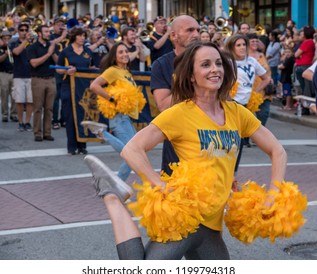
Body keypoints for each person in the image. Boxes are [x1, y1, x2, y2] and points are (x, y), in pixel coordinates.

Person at [84, 41, 287, 260]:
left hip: (212, 223)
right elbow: (132, 149)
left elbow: (277, 150)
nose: (215, 69)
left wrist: (274, 193)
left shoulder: (237, 113)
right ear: (191, 75)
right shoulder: (180, 113)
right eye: (206, 64)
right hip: (186, 215)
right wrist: (159, 184)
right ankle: (113, 198)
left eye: (218, 63)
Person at [150, 15, 200, 175]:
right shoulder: (161, 64)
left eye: (198, 30)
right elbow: (164, 105)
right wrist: (191, 81)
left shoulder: (211, 60)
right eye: (190, 30)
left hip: (210, 141)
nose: (196, 35)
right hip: (178, 143)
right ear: (173, 36)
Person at [83, 42, 138, 181]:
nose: (125, 54)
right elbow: (94, 85)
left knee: (134, 155)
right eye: (120, 52)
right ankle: (102, 133)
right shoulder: (113, 70)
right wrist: (112, 99)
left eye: (126, 51)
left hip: (127, 117)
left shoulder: (126, 72)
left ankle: (118, 187)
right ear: (114, 57)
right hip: (119, 116)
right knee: (131, 154)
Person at [225, 34, 270, 188]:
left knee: (240, 143)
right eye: (238, 45)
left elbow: (266, 77)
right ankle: (227, 175)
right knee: (231, 141)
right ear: (232, 47)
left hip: (244, 106)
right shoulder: (228, 63)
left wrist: (255, 92)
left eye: (243, 44)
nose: (242, 47)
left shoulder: (252, 61)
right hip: (231, 105)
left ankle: (233, 175)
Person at [56, 27, 95, 155]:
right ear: (75, 37)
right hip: (69, 86)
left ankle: (82, 144)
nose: (83, 38)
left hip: (84, 88)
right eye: (80, 35)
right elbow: (58, 68)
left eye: (84, 35)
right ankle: (71, 146)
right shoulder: (66, 51)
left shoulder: (88, 51)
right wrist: (67, 70)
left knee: (83, 115)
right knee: (71, 116)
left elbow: (92, 67)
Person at [27, 25, 56, 142]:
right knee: (38, 108)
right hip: (38, 79)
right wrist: (48, 54)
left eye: (49, 32)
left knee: (49, 108)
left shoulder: (51, 46)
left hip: (51, 79)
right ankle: (37, 133)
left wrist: (53, 52)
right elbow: (33, 63)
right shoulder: (32, 47)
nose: (49, 34)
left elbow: (58, 61)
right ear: (39, 34)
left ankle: (47, 132)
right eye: (46, 32)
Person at [10, 23, 33, 131]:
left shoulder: (32, 43)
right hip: (18, 74)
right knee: (19, 100)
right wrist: (25, 41)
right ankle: (20, 122)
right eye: (22, 30)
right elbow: (17, 52)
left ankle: (27, 122)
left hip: (31, 74)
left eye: (26, 30)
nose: (24, 32)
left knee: (30, 100)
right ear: (18, 31)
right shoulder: (14, 43)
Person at [247, 33, 272, 126]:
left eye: (256, 41)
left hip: (263, 90)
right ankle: (248, 137)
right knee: (248, 116)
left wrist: (270, 78)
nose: (255, 43)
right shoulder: (244, 57)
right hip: (249, 91)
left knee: (264, 114)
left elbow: (268, 70)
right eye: (252, 41)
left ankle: (260, 135)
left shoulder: (261, 55)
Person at [0, 30, 17, 123]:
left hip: (14, 72)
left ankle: (14, 114)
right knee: (4, 94)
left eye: (8, 38)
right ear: (1, 39)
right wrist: (5, 54)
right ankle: (5, 114)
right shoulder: (1, 48)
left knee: (14, 95)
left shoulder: (14, 48)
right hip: (3, 73)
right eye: (5, 38)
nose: (7, 40)